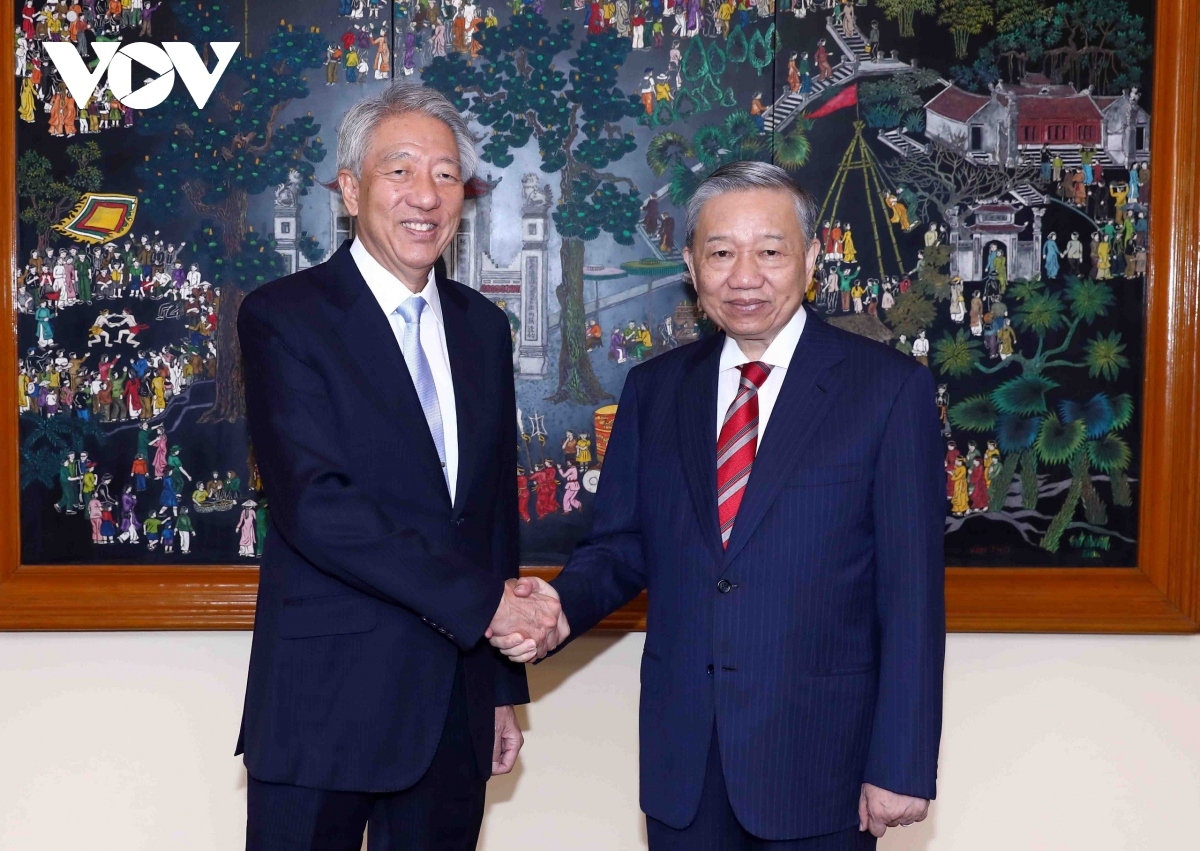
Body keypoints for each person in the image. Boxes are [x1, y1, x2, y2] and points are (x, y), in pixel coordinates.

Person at [492, 163, 945, 849]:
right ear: (691, 265)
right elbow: (621, 547)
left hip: (823, 764)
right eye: (721, 252)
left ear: (813, 257)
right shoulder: (656, 389)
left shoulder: (886, 391)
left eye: (770, 250)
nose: (744, 276)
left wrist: (902, 763)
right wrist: (556, 610)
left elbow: (911, 596)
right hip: (686, 768)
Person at [236, 84, 562, 851]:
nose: (427, 196)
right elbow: (318, 505)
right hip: (324, 703)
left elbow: (486, 522)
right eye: (401, 171)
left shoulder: (483, 328)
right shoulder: (285, 316)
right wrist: (487, 608)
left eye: (447, 175)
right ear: (349, 190)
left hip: (452, 706)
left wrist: (499, 690)